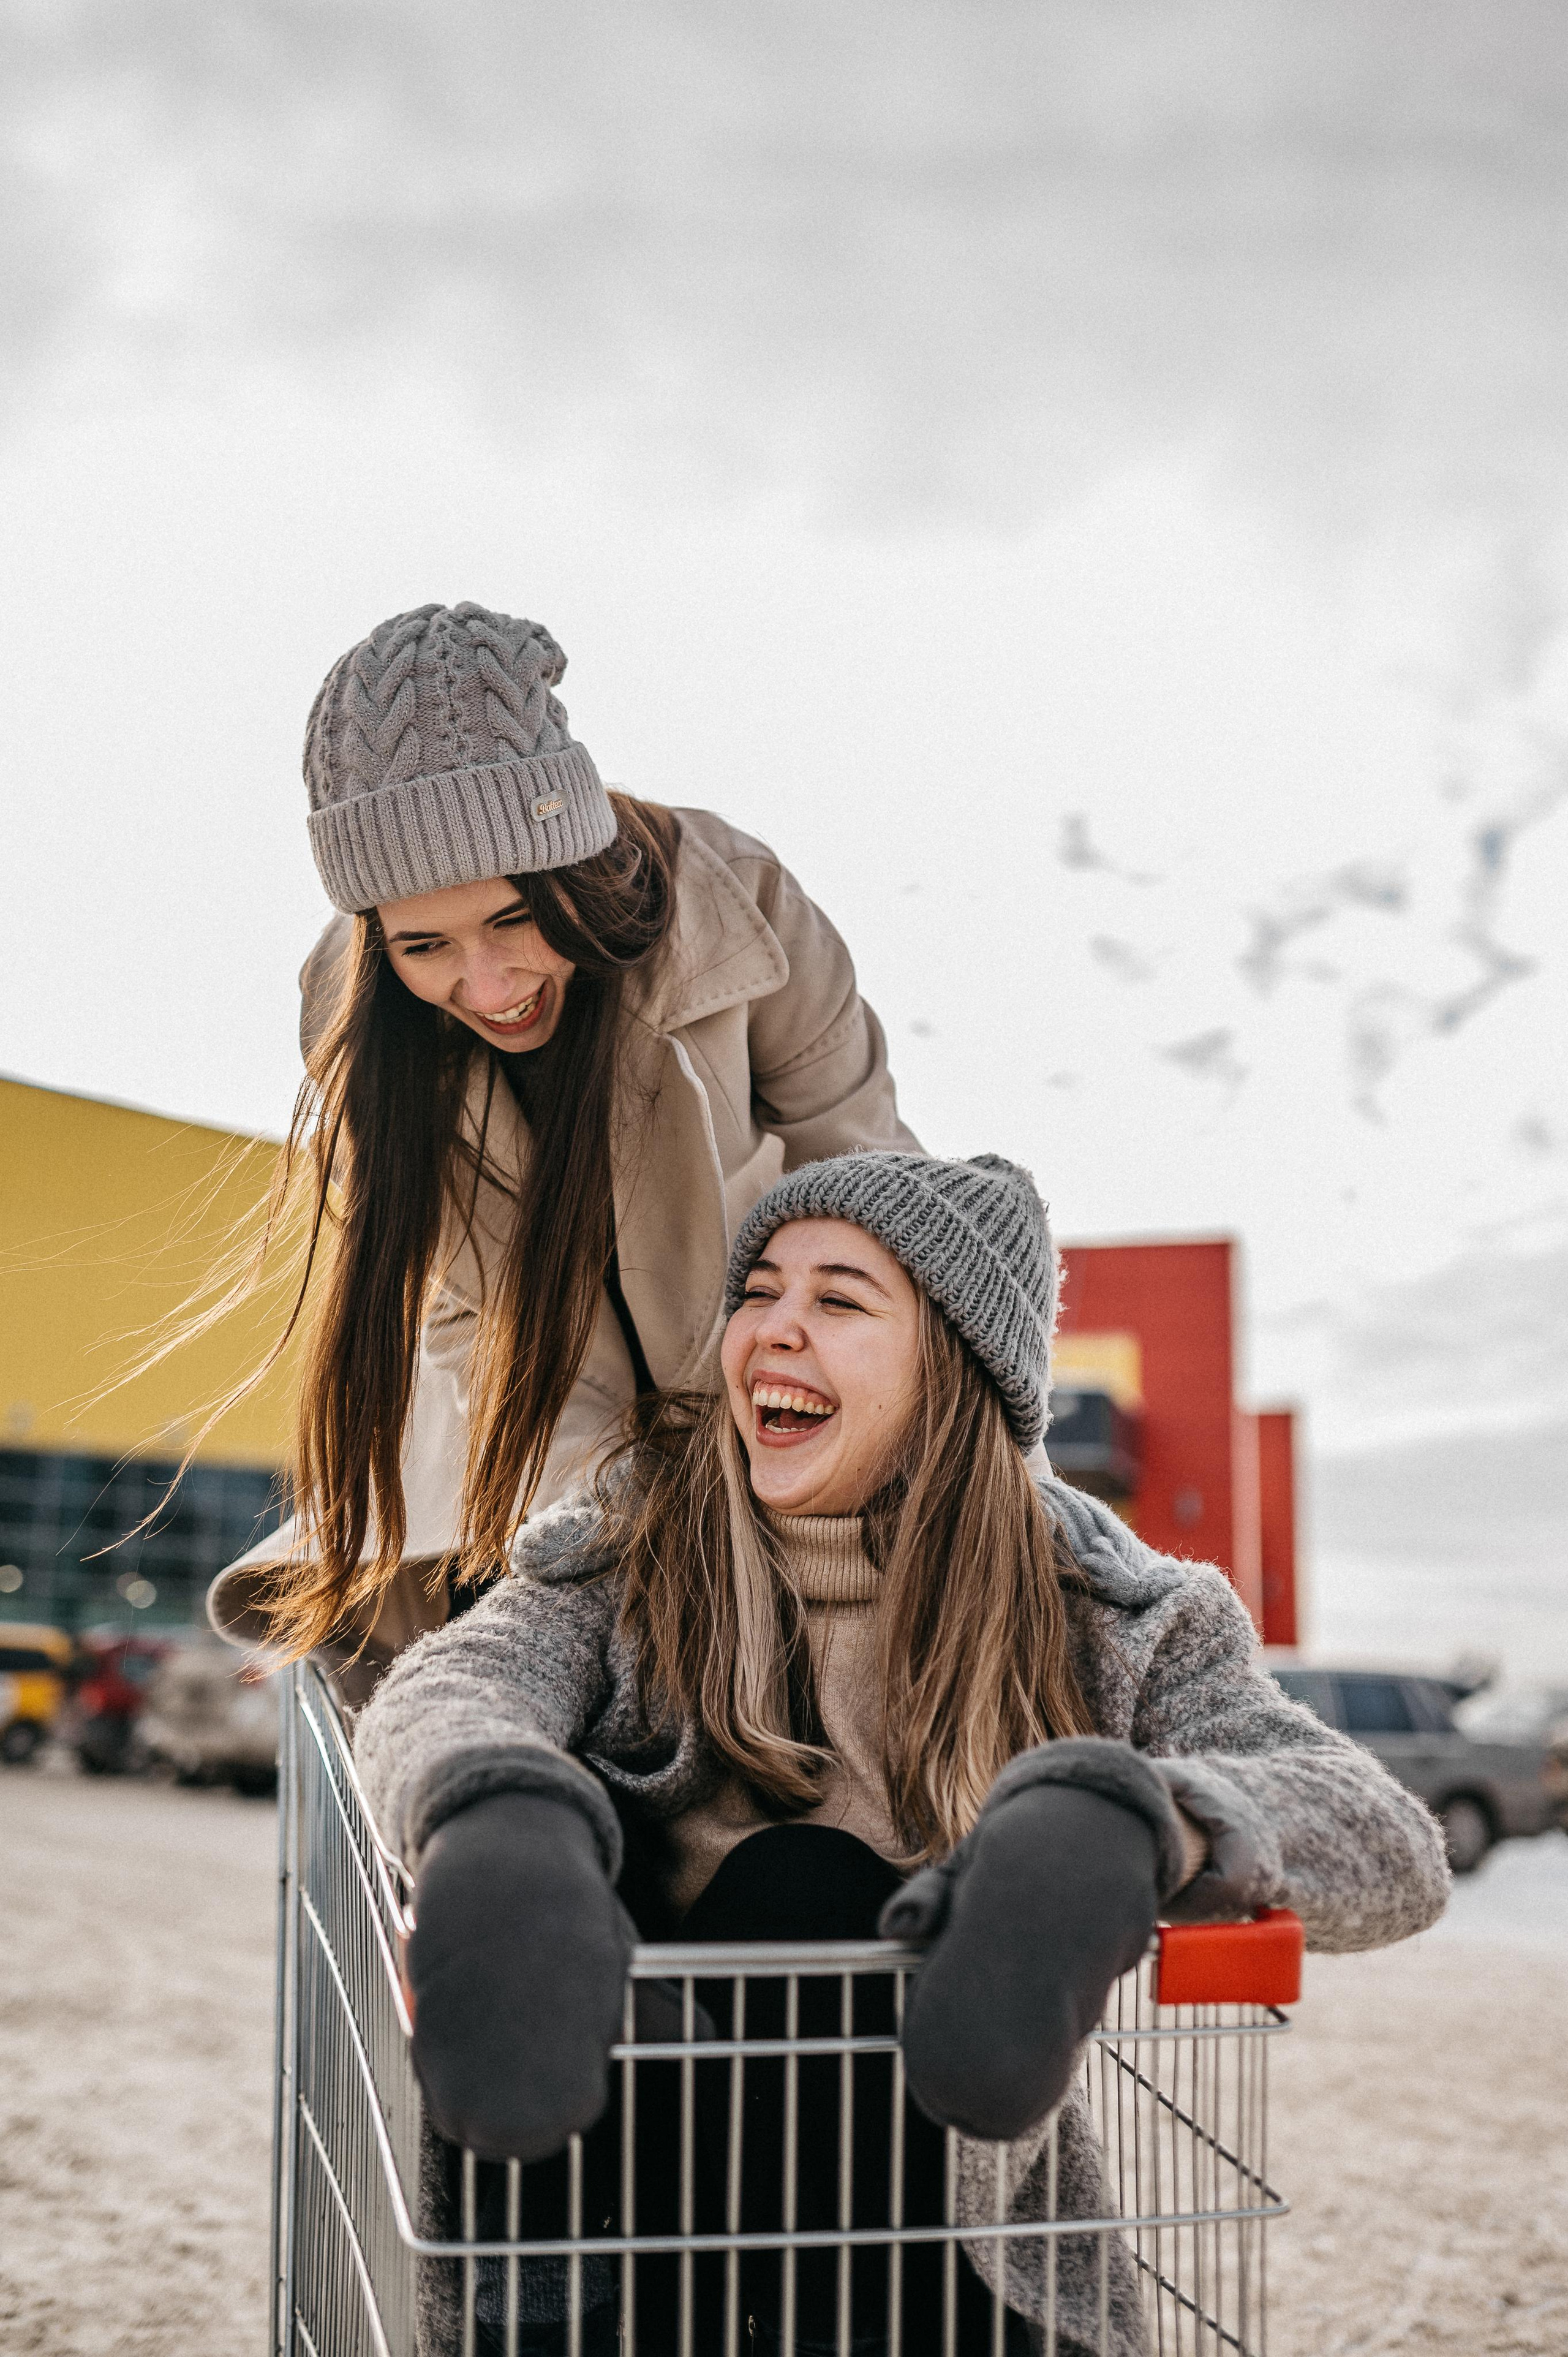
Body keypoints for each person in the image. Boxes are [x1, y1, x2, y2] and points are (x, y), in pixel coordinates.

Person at [355, 1149, 1450, 2357]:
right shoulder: (627, 1550)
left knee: (829, 1895)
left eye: (835, 1300)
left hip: (920, 2232)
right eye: (757, 1290)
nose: (769, 1330)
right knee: (783, 1885)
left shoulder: (1112, 1611)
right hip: (624, 2196)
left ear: (954, 1363)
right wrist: (500, 1816)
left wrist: (1136, 1818)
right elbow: (458, 1684)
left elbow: (1386, 1838)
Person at [206, 602, 918, 1682]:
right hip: (529, 1447)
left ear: (571, 870)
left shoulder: (742, 908)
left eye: (511, 920)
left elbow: (883, 1208)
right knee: (511, 1684)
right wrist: (620, 1530)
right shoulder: (361, 1032)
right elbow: (468, 1325)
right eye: (424, 945)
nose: (485, 988)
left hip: (775, 1414)